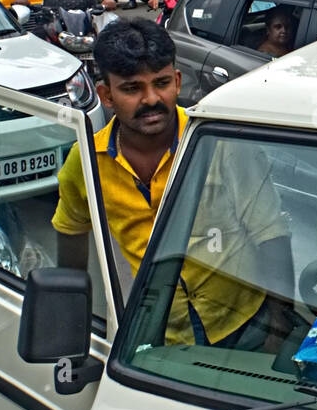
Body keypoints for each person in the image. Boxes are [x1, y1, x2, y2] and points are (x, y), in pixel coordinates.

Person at [52, 19, 293, 349]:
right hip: (156, 335)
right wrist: (68, 323)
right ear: (106, 95)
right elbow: (71, 241)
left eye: (161, 83)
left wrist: (278, 333)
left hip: (244, 326)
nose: (151, 99)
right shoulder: (86, 162)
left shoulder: (217, 143)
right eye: (132, 88)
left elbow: (272, 235)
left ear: (177, 82)